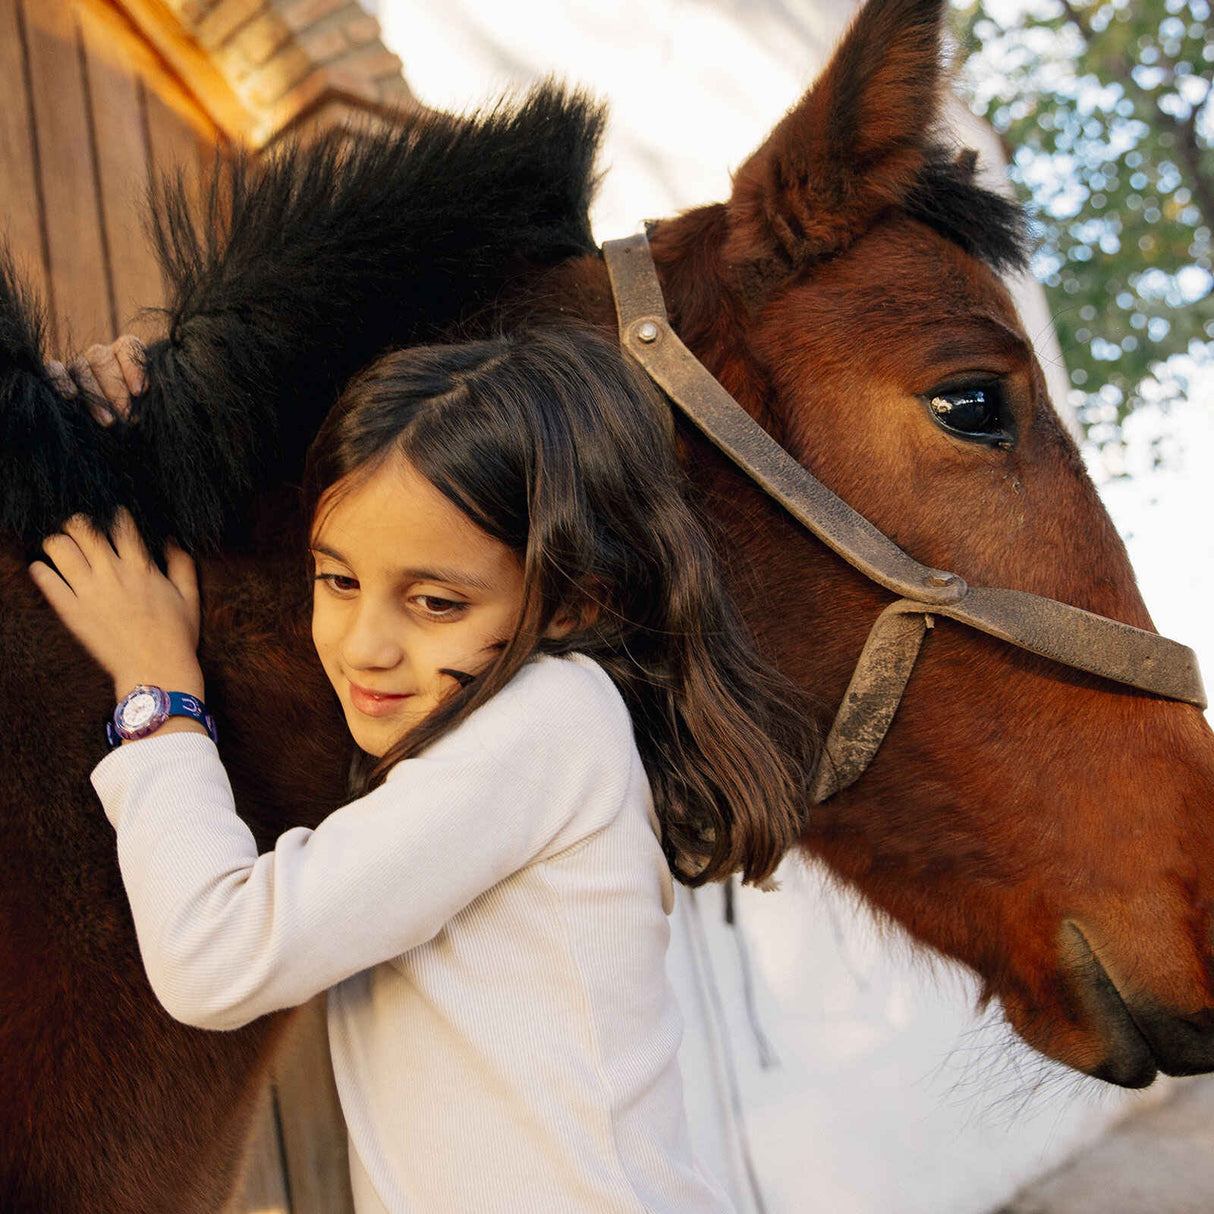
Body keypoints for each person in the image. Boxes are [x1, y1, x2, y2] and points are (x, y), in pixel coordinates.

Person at [30, 327, 815, 1213]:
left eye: (435, 602)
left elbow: (215, 959)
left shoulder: (551, 722)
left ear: (571, 600)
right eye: (335, 580)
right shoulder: (467, 736)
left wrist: (157, 693)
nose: (366, 647)